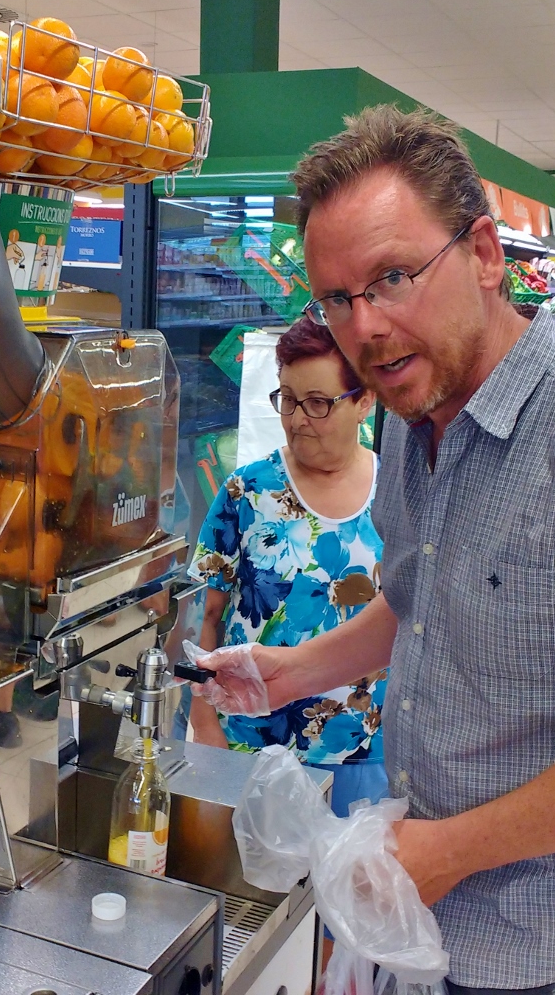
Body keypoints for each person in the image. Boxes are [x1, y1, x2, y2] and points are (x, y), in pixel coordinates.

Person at [192, 105, 555, 994]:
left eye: (392, 277)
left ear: (484, 254)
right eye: (336, 298)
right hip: (425, 933)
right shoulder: (414, 414)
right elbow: (419, 597)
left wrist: (448, 850)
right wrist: (294, 671)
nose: (363, 329)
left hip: (548, 954)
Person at [189, 317, 386, 823]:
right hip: (251, 743)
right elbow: (204, 615)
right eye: (289, 399)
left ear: (365, 399)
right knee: (252, 893)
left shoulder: (400, 497)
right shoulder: (247, 492)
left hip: (360, 748)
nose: (298, 419)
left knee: (345, 894)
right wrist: (203, 723)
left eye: (319, 403)